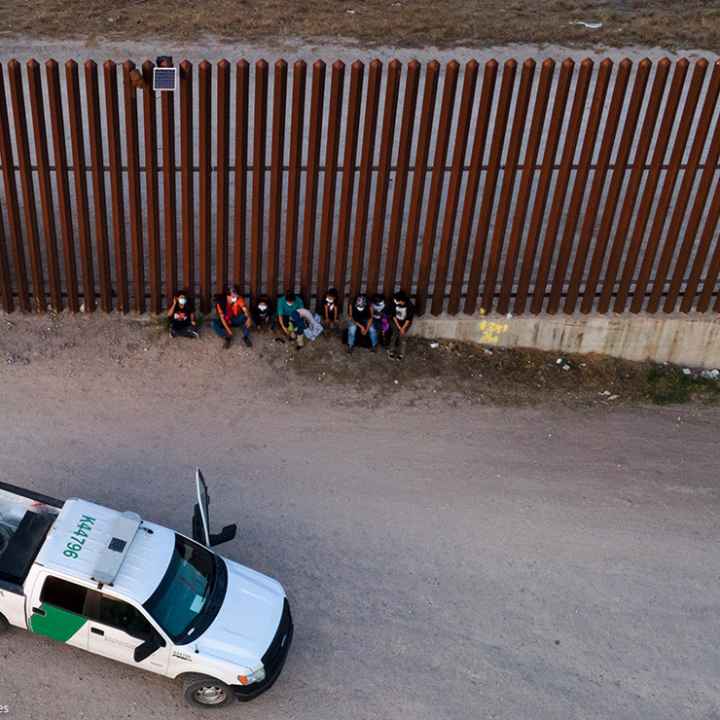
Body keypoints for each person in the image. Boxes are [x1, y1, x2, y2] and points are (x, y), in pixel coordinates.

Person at [389, 290, 414, 360]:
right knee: (394, 335)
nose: (395, 301)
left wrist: (403, 328)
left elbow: (408, 319)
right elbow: (393, 315)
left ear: (402, 300)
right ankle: (391, 351)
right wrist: (399, 327)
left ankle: (401, 353)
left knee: (402, 338)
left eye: (397, 300)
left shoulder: (409, 305)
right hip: (395, 321)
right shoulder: (394, 303)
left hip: (405, 323)